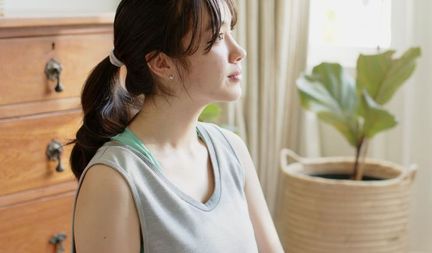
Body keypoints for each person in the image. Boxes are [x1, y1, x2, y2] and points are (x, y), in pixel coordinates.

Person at [68, 0, 284, 252]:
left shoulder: (232, 150)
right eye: (217, 37)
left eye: (230, 31)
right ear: (161, 63)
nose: (239, 51)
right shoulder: (112, 179)